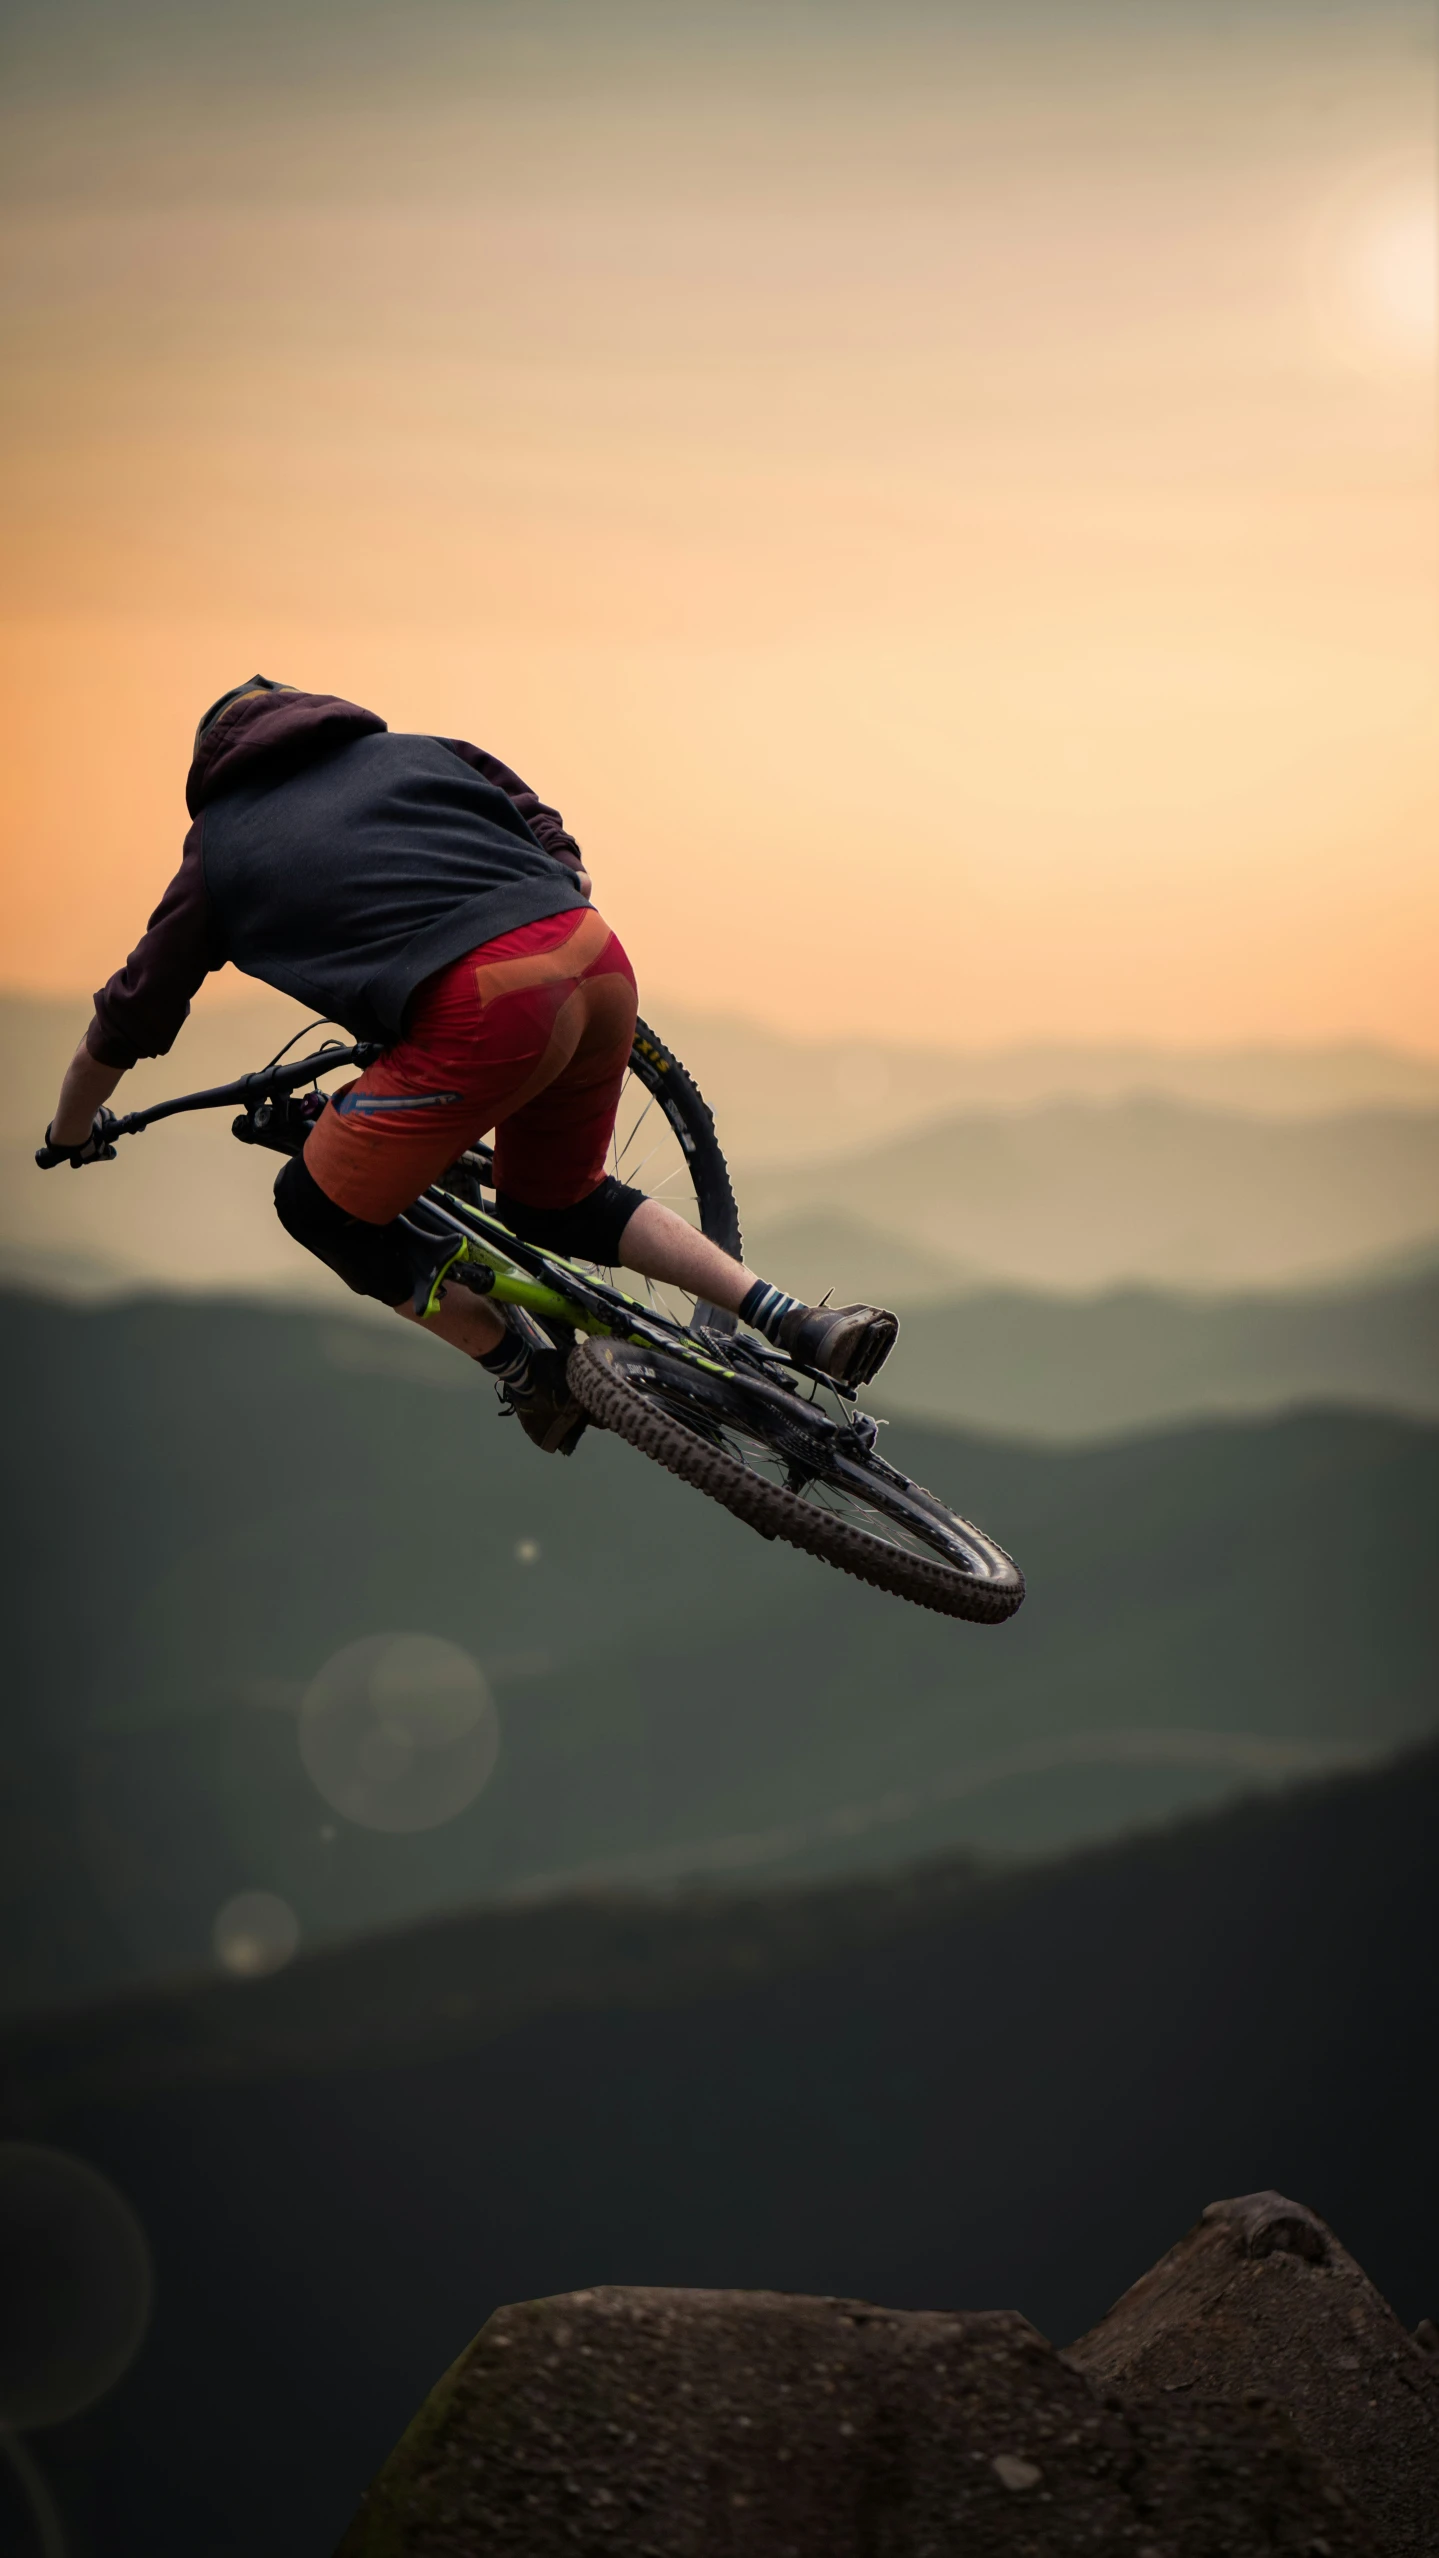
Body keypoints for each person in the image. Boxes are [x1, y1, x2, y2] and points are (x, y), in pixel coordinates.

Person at [42, 678, 899, 1452]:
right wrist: (549, 895)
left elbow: (130, 1015)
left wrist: (71, 1128)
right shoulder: (415, 751)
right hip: (591, 953)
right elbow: (536, 816)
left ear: (211, 772)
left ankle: (530, 1377)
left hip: (482, 1007)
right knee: (563, 1202)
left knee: (317, 1207)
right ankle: (797, 1320)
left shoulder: (219, 848)